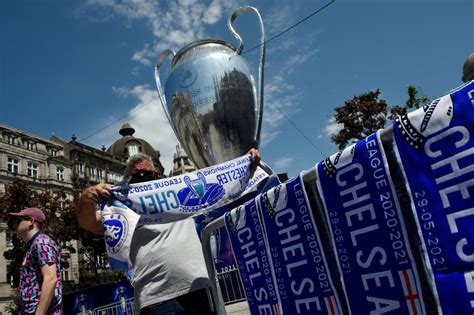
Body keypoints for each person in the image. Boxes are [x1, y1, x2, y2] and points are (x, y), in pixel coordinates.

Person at [77, 149, 260, 314]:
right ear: (127, 178)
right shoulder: (122, 207)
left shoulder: (180, 194)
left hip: (198, 288)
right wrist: (87, 197)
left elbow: (227, 188)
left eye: (146, 173)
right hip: (157, 298)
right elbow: (89, 223)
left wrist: (245, 163)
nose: (142, 176)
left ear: (156, 174)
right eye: (136, 175)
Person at [9, 207, 62, 314]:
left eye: (18, 221)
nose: (14, 225)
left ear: (31, 221)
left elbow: (51, 279)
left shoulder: (41, 242)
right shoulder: (32, 245)